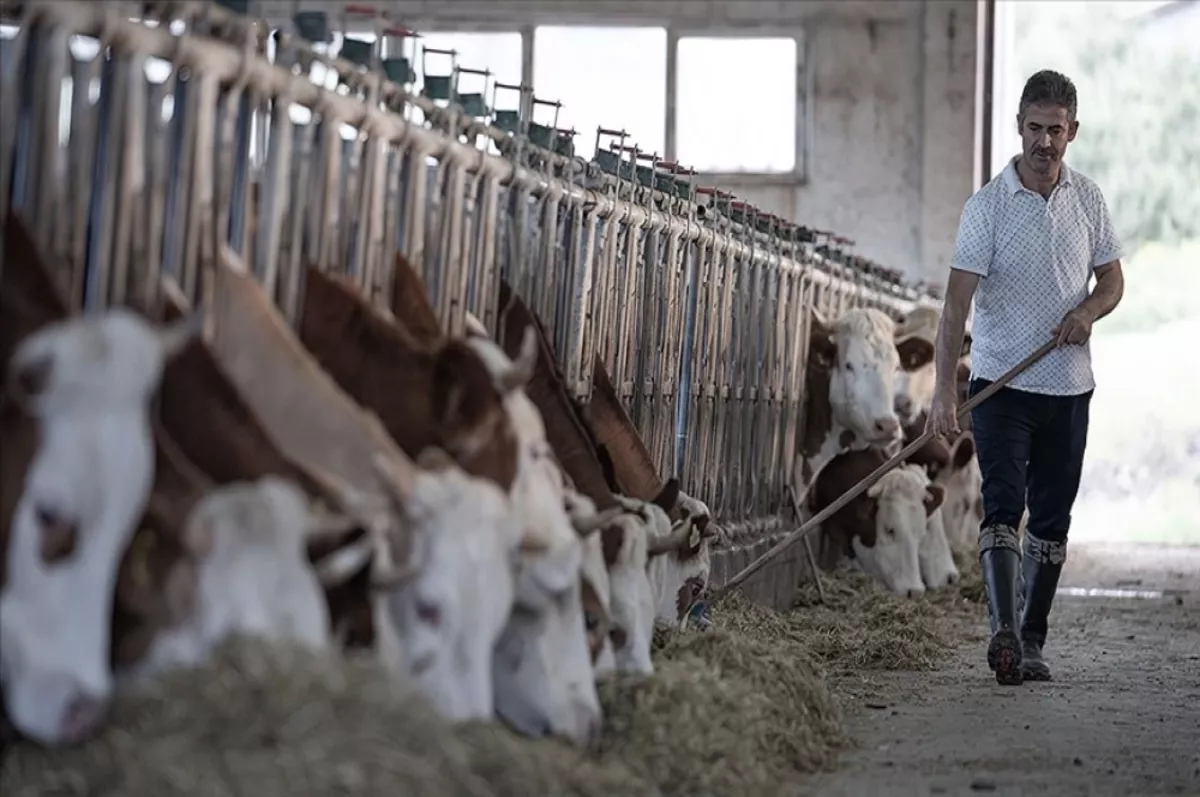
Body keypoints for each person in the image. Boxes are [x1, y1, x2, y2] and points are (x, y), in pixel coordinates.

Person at [926, 70, 1125, 686]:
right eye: (1035, 128)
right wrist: (942, 389)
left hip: (1068, 387)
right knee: (1004, 505)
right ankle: (1003, 632)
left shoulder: (1088, 200)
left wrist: (1087, 312)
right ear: (1019, 127)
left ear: (1073, 131)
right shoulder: (986, 207)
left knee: (1052, 520)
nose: (1045, 142)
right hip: (999, 388)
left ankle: (1032, 638)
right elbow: (956, 306)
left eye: (1056, 130)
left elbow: (1113, 282)